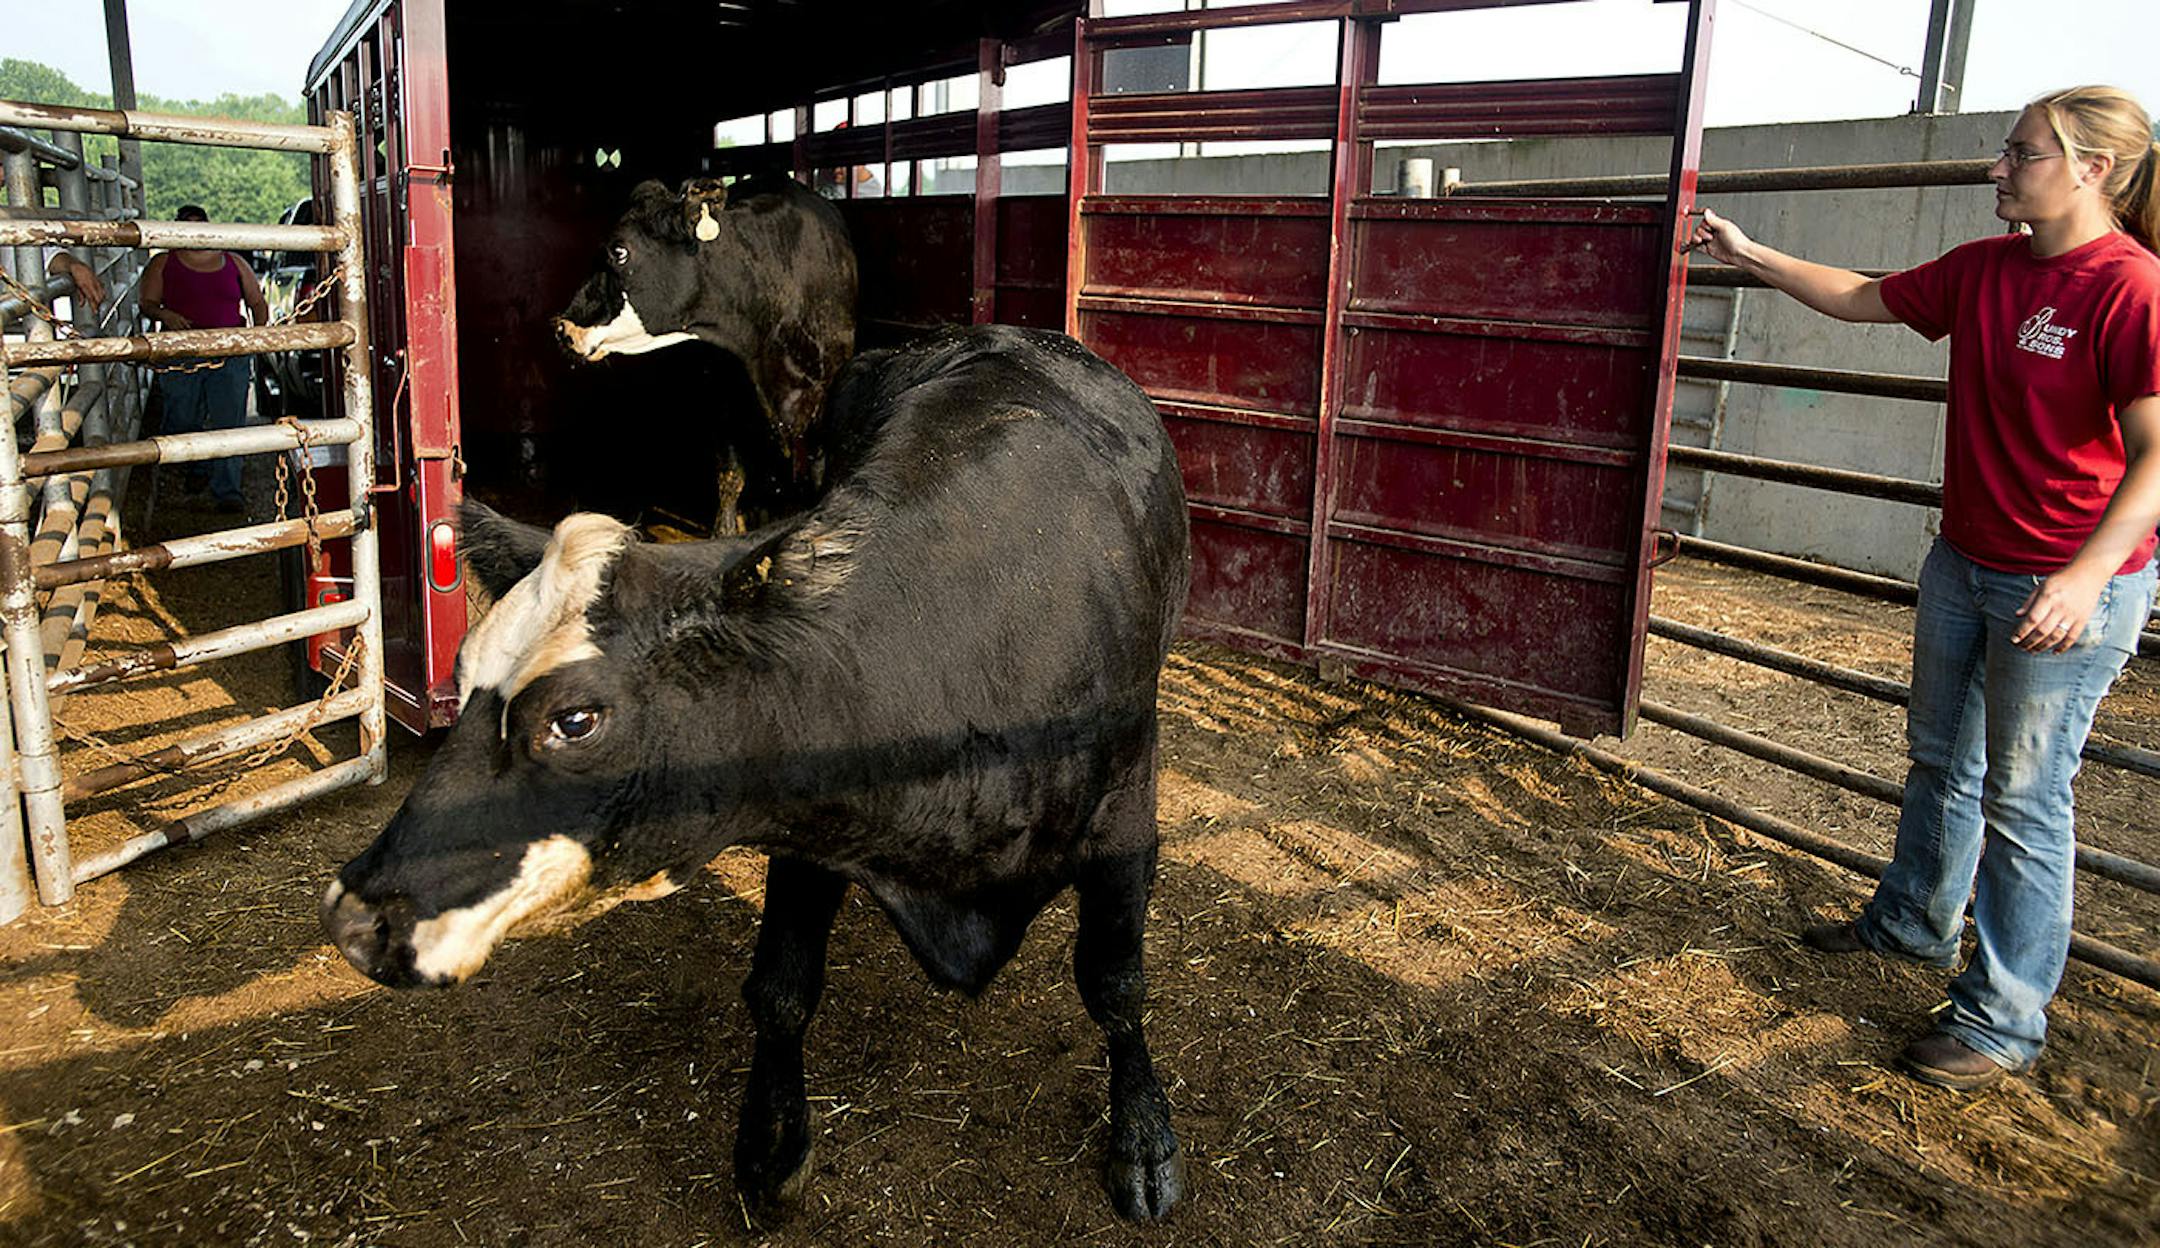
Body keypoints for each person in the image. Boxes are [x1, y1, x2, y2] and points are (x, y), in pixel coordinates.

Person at [1688, 86, 2160, 1092]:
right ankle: (1912, 923)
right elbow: (1863, 297)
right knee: (1941, 756)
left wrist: (2081, 576)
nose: (1999, 168)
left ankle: (2001, 1021)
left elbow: (2157, 457)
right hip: (1967, 560)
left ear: (2093, 169)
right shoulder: (1985, 271)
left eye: (2021, 153)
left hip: (2068, 580)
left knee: (2026, 796)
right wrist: (1748, 251)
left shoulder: (2132, 289)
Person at [139, 203, 270, 513]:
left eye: (198, 224)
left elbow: (256, 301)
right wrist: (166, 315)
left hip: (228, 351)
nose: (193, 230)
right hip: (181, 351)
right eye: (186, 224)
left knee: (229, 420)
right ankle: (196, 463)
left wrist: (257, 336)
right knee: (182, 414)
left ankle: (228, 489)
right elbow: (148, 302)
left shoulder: (233, 262)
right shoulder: (163, 263)